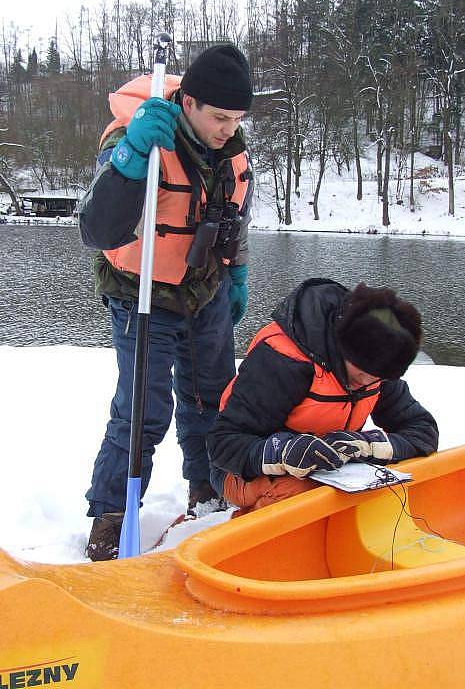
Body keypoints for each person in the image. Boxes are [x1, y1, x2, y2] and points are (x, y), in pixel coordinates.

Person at [79, 44, 254, 561]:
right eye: (219, 117)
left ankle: (208, 492)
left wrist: (238, 273)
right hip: (142, 295)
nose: (228, 128)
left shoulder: (233, 150)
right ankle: (112, 513)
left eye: (237, 118)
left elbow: (237, 217)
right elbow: (97, 228)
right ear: (189, 102)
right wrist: (131, 159)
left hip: (205, 292)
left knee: (212, 399)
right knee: (142, 409)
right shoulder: (137, 136)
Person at [207, 278, 439, 512]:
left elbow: (422, 432)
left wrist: (366, 446)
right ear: (343, 350)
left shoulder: (376, 369)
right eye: (359, 376)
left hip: (329, 471)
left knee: (397, 475)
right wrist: (284, 452)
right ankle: (243, 539)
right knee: (296, 493)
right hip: (238, 468)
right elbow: (222, 444)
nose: (366, 384)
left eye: (377, 379)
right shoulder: (284, 362)